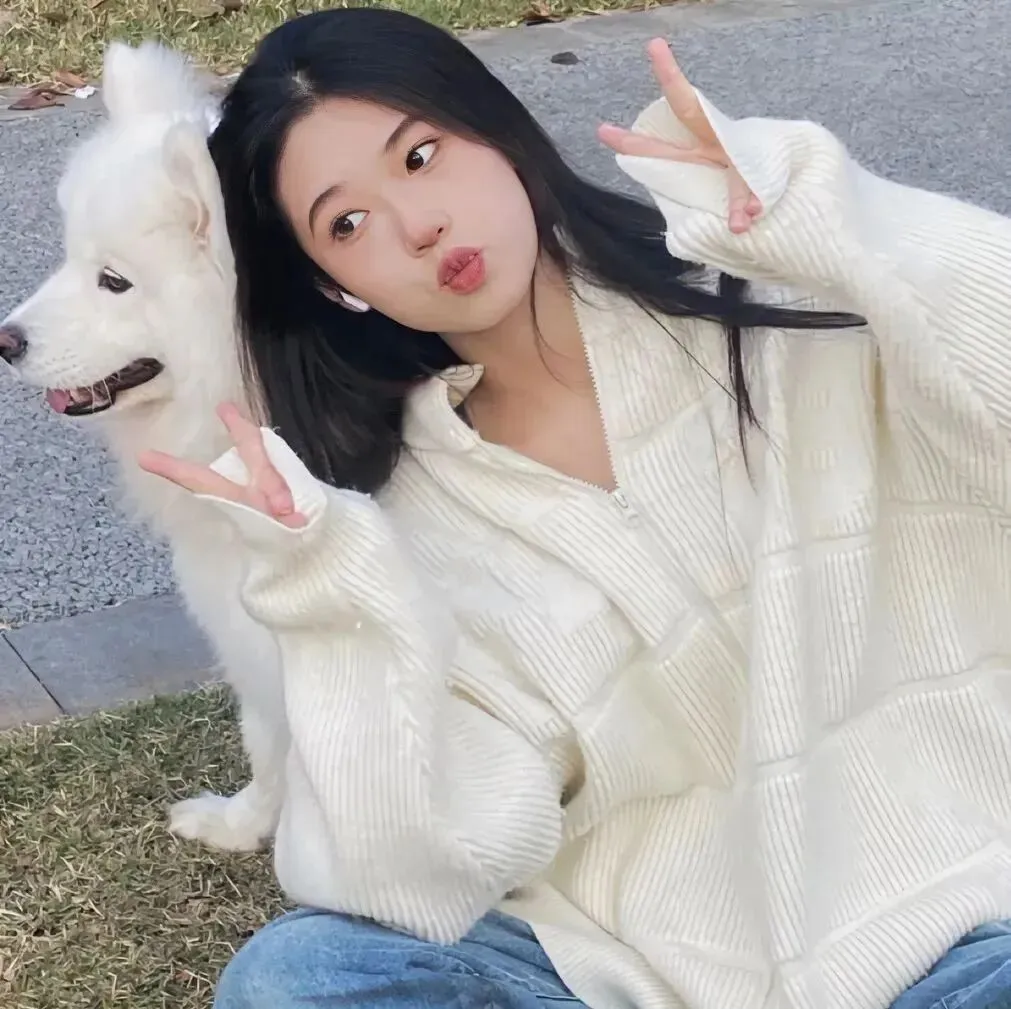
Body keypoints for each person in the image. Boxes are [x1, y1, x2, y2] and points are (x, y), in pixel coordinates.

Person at [139, 7, 1011, 1009]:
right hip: (647, 971)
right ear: (334, 287)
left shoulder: (774, 306)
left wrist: (836, 217)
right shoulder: (410, 518)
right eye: (347, 224)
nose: (417, 225)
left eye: (420, 156)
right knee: (298, 977)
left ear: (496, 129)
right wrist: (330, 604)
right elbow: (414, 880)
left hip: (963, 929)